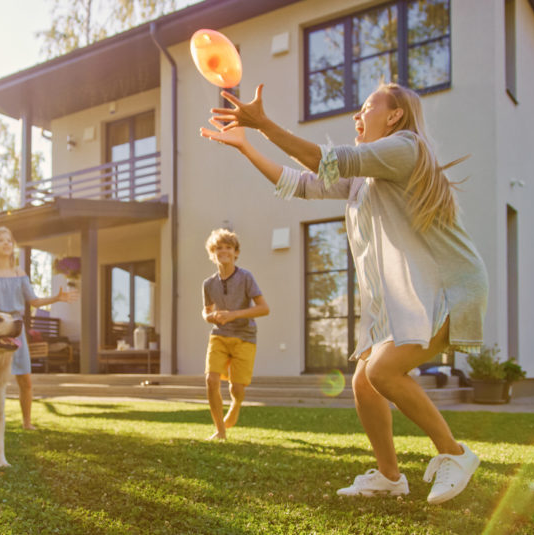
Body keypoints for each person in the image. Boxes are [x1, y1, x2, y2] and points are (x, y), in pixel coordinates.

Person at [201, 83, 487, 504]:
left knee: (382, 372)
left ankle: (455, 453)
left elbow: (326, 159)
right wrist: (246, 145)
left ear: (394, 116)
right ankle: (390, 477)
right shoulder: (365, 179)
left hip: (449, 286)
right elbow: (300, 183)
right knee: (364, 382)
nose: (358, 116)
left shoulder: (405, 147)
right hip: (409, 298)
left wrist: (262, 123)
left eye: (367, 108)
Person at [0, 226, 77, 430]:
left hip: (16, 329)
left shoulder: (20, 274)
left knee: (25, 381)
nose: (6, 244)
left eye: (9, 240)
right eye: (1, 240)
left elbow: (34, 301)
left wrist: (56, 298)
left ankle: (27, 423)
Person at [201, 228, 269, 441]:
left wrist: (233, 315)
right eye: (219, 248)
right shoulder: (208, 284)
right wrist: (208, 317)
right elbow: (207, 310)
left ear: (236, 253)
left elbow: (264, 308)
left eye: (228, 248)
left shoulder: (246, 277)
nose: (224, 251)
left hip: (244, 337)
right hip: (219, 335)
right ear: (212, 253)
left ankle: (237, 404)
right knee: (211, 380)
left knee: (237, 389)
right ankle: (220, 431)